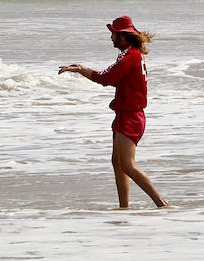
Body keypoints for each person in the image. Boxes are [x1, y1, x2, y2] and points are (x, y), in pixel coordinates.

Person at [59, 17, 169, 209]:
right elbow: (114, 79)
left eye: (114, 34)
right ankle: (123, 207)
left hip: (131, 116)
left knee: (127, 165)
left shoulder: (130, 56)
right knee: (117, 163)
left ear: (123, 36)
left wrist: (80, 70)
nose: (111, 37)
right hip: (125, 113)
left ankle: (162, 204)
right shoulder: (129, 54)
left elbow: (106, 78)